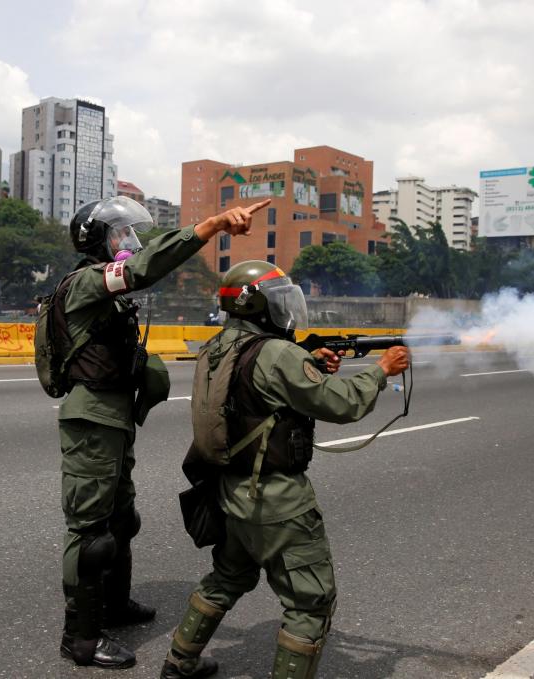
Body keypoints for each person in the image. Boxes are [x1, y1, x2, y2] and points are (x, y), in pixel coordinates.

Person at [159, 260, 410, 679]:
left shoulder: (217, 346)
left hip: (229, 490)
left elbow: (253, 399)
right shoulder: (277, 354)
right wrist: (381, 371)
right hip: (276, 499)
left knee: (227, 576)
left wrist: (309, 362)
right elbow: (342, 403)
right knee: (310, 602)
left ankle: (179, 662)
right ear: (259, 307)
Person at [55, 196, 270, 669]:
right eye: (120, 236)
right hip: (92, 418)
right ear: (97, 242)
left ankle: (114, 606)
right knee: (91, 531)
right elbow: (143, 269)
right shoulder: (88, 281)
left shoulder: (105, 289)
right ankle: (81, 637)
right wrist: (209, 226)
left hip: (114, 415)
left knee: (120, 521)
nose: (129, 244)